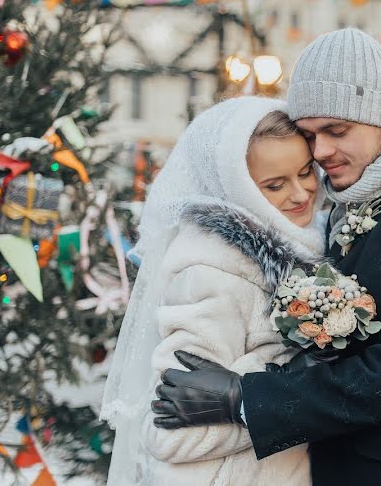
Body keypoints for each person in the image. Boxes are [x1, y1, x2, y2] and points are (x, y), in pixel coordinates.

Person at [152, 28, 381, 485]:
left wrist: (243, 397)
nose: (320, 152)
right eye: (311, 134)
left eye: (337, 131)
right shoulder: (337, 201)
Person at [101, 97, 331, 485]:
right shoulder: (212, 272)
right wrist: (280, 391)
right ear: (237, 187)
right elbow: (169, 437)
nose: (300, 193)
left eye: (305, 171)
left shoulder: (312, 245)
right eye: (275, 185)